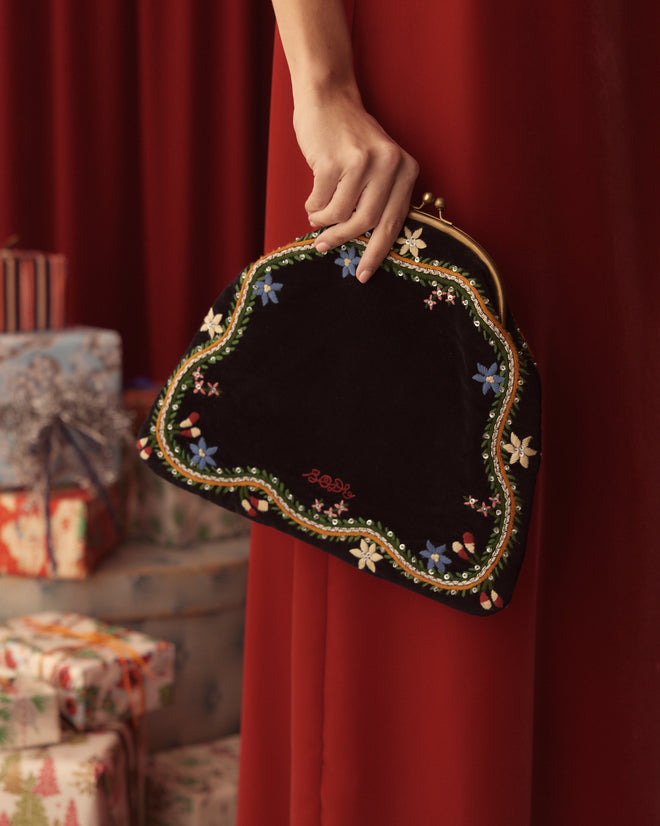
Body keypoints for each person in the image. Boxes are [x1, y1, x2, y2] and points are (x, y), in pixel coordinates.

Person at [237, 1, 660, 825]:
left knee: (598, 524)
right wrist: (321, 87)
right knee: (415, 509)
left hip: (613, 77)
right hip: (437, 65)